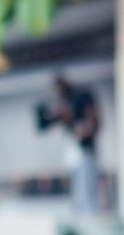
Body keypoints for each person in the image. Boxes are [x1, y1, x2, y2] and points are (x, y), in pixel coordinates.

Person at [38, 73, 103, 213]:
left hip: (86, 151)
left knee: (87, 193)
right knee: (78, 194)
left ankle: (89, 221)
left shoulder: (81, 98)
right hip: (75, 151)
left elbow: (90, 125)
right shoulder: (66, 102)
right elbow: (45, 124)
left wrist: (74, 122)